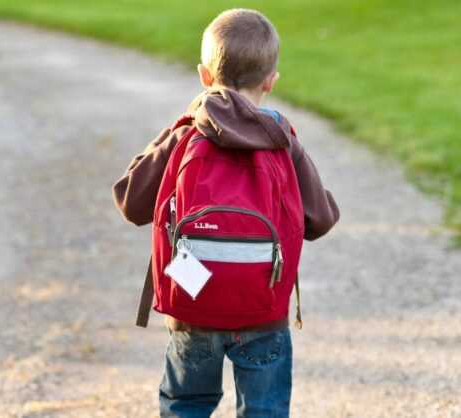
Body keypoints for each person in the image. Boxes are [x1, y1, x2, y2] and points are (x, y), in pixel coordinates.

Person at [112, 8, 339, 418]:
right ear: (271, 80)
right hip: (263, 309)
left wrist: (172, 133)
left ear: (204, 76)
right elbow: (319, 221)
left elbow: (131, 201)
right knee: (264, 410)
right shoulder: (282, 139)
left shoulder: (187, 133)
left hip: (193, 303)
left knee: (186, 406)